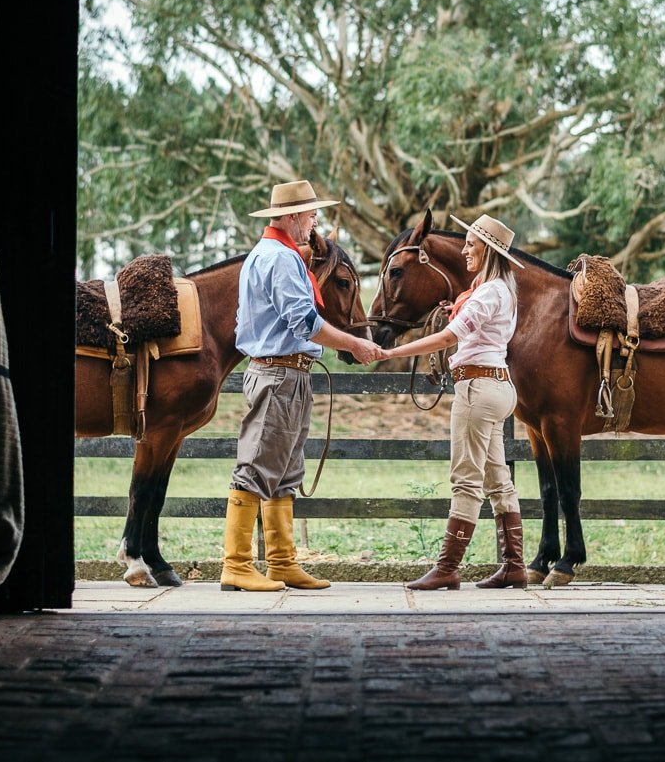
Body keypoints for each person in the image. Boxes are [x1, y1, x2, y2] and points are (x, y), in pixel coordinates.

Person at [222, 179, 383, 592]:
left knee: (286, 470)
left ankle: (281, 562)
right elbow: (305, 322)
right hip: (279, 374)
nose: (315, 222)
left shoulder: (273, 255)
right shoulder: (279, 259)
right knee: (258, 465)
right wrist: (355, 344)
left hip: (287, 373)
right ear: (292, 216)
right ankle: (237, 564)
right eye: (311, 215)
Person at [376, 213, 527, 590]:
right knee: (498, 480)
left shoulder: (488, 291)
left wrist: (393, 354)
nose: (465, 251)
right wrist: (455, 312)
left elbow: (448, 338)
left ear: (488, 252)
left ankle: (447, 568)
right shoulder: (499, 290)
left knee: (465, 480)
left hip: (477, 390)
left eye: (472, 245)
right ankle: (514, 565)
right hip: (496, 387)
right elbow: (473, 330)